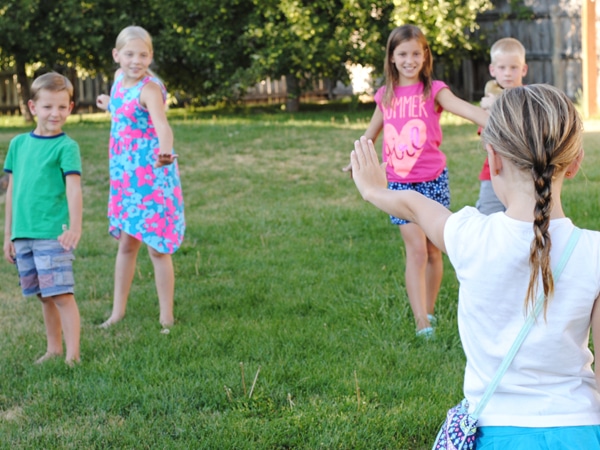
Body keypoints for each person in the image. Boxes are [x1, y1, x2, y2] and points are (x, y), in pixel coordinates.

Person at [350, 84, 600, 448]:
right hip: (582, 431)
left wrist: (373, 191)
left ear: (493, 159)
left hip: (493, 433)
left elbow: (418, 206)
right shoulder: (595, 252)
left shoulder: (470, 236)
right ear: (575, 163)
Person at [344, 25, 488, 338]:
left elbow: (465, 109)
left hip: (433, 180)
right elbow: (371, 133)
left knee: (435, 252)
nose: (410, 60)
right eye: (402, 54)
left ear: (425, 55)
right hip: (398, 184)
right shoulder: (386, 95)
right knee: (417, 251)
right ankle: (420, 321)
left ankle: (430, 310)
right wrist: (356, 160)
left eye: (415, 53)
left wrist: (500, 122)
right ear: (392, 58)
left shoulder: (434, 90)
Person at [96, 25, 185, 331]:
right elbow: (125, 111)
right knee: (127, 244)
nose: (136, 60)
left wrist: (164, 151)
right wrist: (110, 104)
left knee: (157, 247)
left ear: (151, 56)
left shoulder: (150, 88)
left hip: (150, 176)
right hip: (124, 176)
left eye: (143, 54)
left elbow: (162, 125)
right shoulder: (120, 81)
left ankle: (166, 318)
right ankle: (117, 313)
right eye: (130, 54)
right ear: (116, 55)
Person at [3, 72, 82, 365]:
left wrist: (75, 227)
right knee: (43, 295)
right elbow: (12, 190)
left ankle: (73, 356)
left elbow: (73, 189)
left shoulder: (66, 147)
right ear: (33, 107)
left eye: (62, 107)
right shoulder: (18, 145)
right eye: (48, 107)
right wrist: (8, 235)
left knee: (61, 293)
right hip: (24, 234)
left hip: (52, 233)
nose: (55, 113)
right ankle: (54, 348)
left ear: (70, 108)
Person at [476, 37, 528, 214]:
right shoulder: (488, 102)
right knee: (489, 217)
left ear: (524, 69)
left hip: (525, 173)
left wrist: (499, 107)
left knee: (524, 219)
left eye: (514, 68)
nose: (507, 73)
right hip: (495, 172)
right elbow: (486, 142)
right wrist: (490, 113)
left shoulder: (531, 98)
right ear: (492, 70)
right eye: (502, 68)